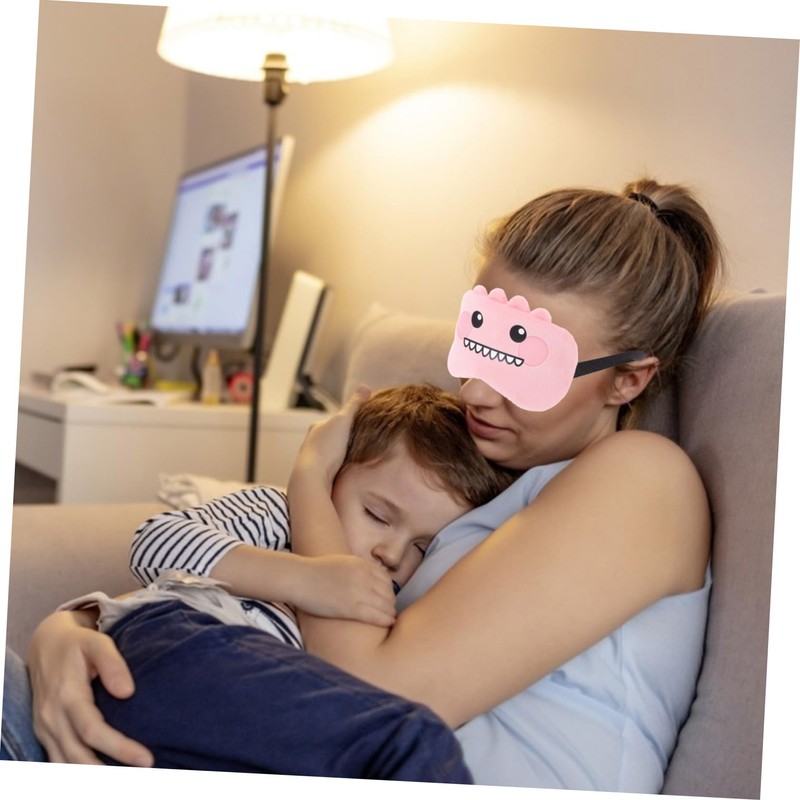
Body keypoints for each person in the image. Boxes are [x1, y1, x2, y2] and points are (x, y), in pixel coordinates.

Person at [5, 176, 722, 793]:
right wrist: (78, 625)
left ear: (629, 380)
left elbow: (373, 693)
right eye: (478, 338)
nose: (475, 390)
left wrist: (311, 480)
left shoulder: (643, 480)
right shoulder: (487, 476)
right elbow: (263, 598)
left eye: (524, 364)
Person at [4, 384, 514, 779]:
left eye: (423, 547)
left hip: (187, 737)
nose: (393, 553)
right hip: (179, 644)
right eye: (377, 515)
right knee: (414, 744)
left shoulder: (404, 603)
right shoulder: (279, 513)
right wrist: (303, 578)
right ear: (332, 476)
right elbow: (154, 542)